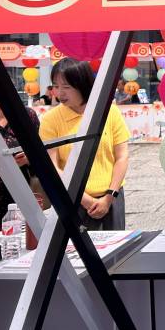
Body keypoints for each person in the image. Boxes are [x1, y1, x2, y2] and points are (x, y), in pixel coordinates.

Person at [39, 58, 129, 230]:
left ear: (82, 84)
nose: (60, 93)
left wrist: (110, 196)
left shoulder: (109, 111)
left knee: (115, 246)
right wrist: (86, 201)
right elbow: (52, 167)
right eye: (55, 86)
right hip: (73, 201)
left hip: (112, 197)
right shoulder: (50, 120)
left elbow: (122, 156)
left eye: (66, 87)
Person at [0, 101, 39, 228]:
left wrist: (29, 158)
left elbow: (40, 151)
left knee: (19, 234)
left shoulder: (25, 115)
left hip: (19, 193)